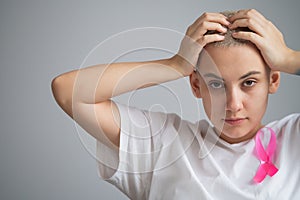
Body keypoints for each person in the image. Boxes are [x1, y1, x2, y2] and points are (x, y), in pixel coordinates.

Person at [51, 9, 300, 199]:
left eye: (248, 83)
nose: (233, 105)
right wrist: (175, 65)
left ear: (274, 80)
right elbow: (68, 90)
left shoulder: (294, 140)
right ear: (195, 86)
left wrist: (289, 58)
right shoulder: (164, 143)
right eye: (215, 84)